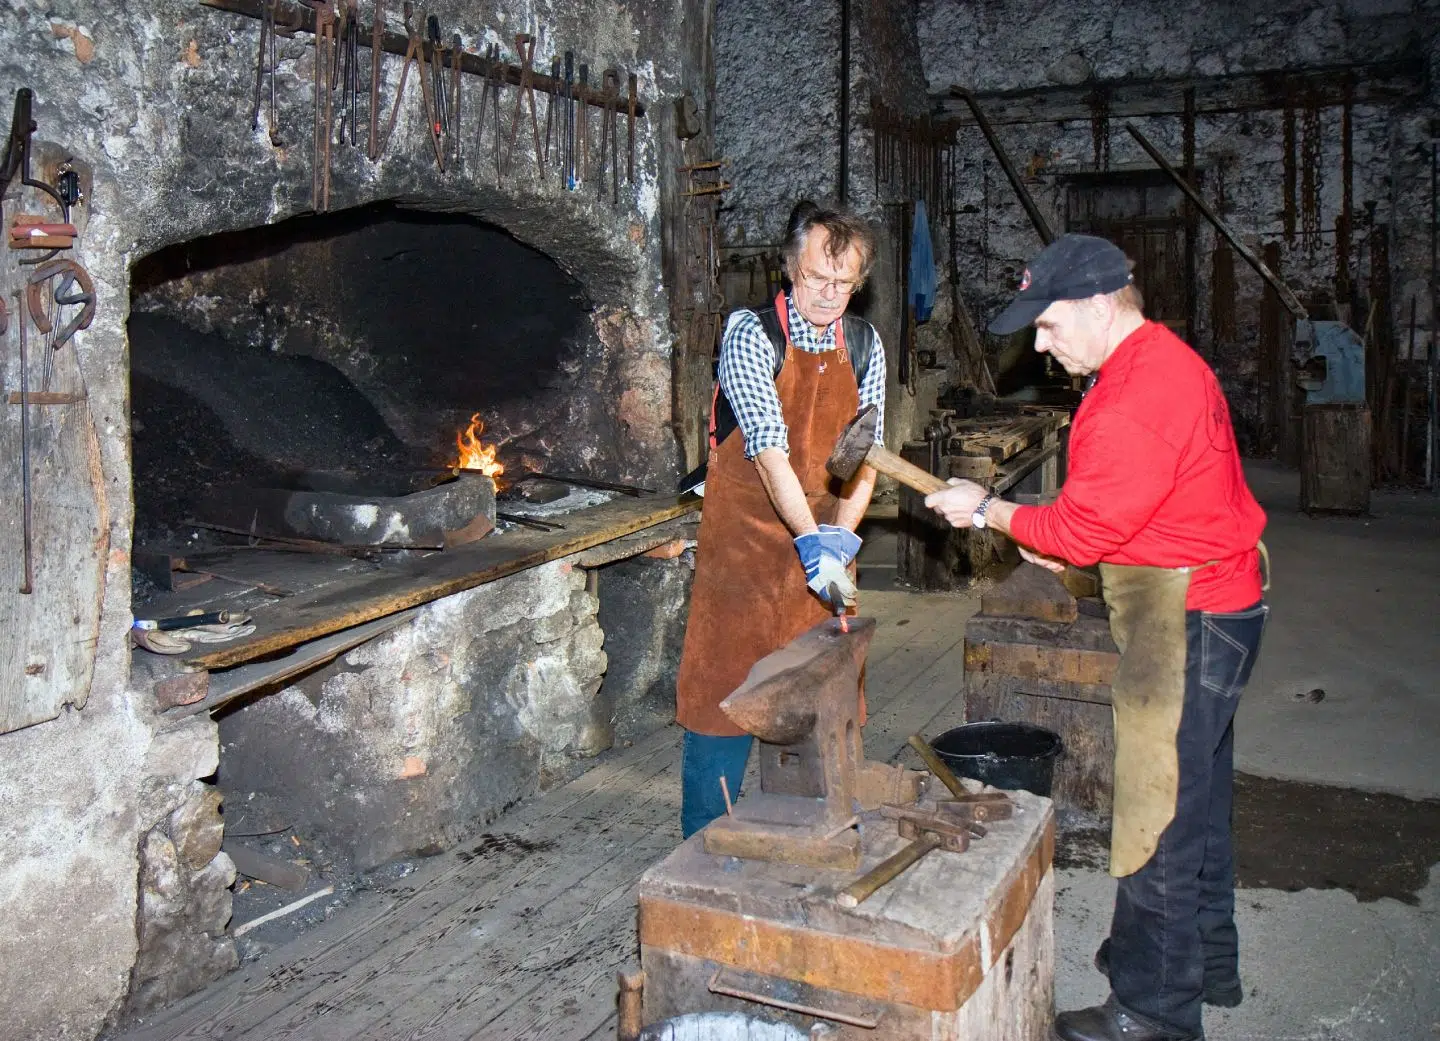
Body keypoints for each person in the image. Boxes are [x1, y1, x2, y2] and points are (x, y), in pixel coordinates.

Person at [925, 234, 1268, 1041]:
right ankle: (1208, 965)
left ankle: (1153, 1011)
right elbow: (1119, 515)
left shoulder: (1132, 394)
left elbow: (1080, 531)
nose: (1039, 344)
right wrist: (1065, 532)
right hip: (1223, 600)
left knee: (1156, 817)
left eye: (1045, 326)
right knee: (1201, 803)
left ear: (1094, 303)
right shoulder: (1162, 360)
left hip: (1189, 622)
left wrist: (988, 508)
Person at [674, 202, 885, 839]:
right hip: (745, 543)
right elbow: (769, 454)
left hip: (823, 535)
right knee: (723, 691)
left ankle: (817, 829)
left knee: (829, 684)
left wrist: (842, 535)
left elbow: (866, 452)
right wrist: (808, 539)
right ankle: (705, 843)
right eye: (818, 276)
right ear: (791, 267)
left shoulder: (864, 342)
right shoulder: (752, 333)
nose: (830, 294)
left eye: (844, 283)